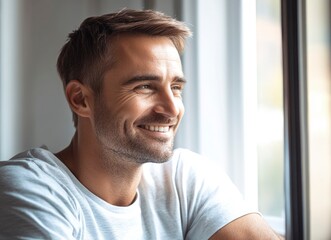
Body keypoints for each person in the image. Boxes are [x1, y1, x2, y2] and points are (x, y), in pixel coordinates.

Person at [0, 9, 282, 239]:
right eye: (145, 86)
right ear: (81, 100)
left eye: (176, 87)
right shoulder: (30, 189)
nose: (172, 109)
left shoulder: (184, 179)